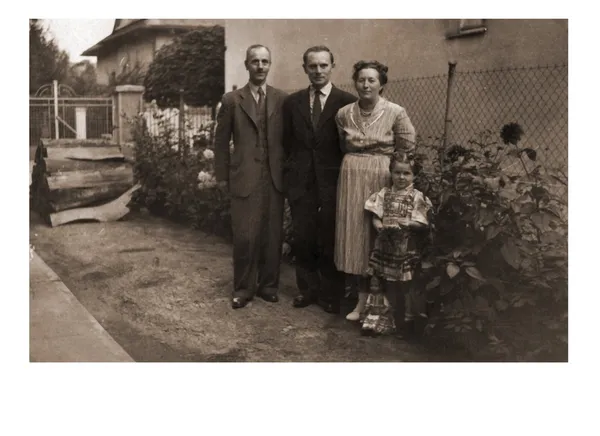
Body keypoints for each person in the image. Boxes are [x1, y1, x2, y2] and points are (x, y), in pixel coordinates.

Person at [334, 60, 417, 321]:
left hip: (381, 176)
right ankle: (360, 304)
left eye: (372, 80)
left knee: (378, 236)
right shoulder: (344, 113)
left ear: (382, 84)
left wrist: (396, 181)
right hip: (351, 175)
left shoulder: (395, 112)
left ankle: (382, 304)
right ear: (355, 82)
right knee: (355, 238)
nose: (366, 84)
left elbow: (407, 147)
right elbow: (341, 143)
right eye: (361, 79)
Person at [282, 46, 356, 313]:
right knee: (303, 237)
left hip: (333, 181)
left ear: (332, 66)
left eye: (323, 65)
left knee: (331, 237)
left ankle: (331, 293)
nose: (318, 71)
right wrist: (290, 177)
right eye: (312, 66)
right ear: (305, 69)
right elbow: (285, 143)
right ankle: (308, 290)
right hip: (301, 182)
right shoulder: (292, 103)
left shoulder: (347, 101)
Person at [214, 44, 288, 309]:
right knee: (245, 235)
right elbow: (220, 141)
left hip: (274, 177)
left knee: (272, 235)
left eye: (265, 61)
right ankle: (243, 288)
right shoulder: (232, 100)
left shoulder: (282, 99)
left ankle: (268, 286)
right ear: (246, 65)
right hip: (244, 177)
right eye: (254, 61)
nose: (260, 66)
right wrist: (222, 177)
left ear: (270, 65)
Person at [361, 152, 432, 336]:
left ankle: (406, 321)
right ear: (391, 173)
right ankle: (382, 319)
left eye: (406, 173)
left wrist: (409, 224)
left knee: (404, 286)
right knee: (382, 284)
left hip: (404, 247)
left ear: (413, 175)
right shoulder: (385, 194)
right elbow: (376, 217)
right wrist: (379, 226)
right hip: (385, 247)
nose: (401, 177)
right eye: (397, 173)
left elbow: (421, 221)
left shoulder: (416, 197)